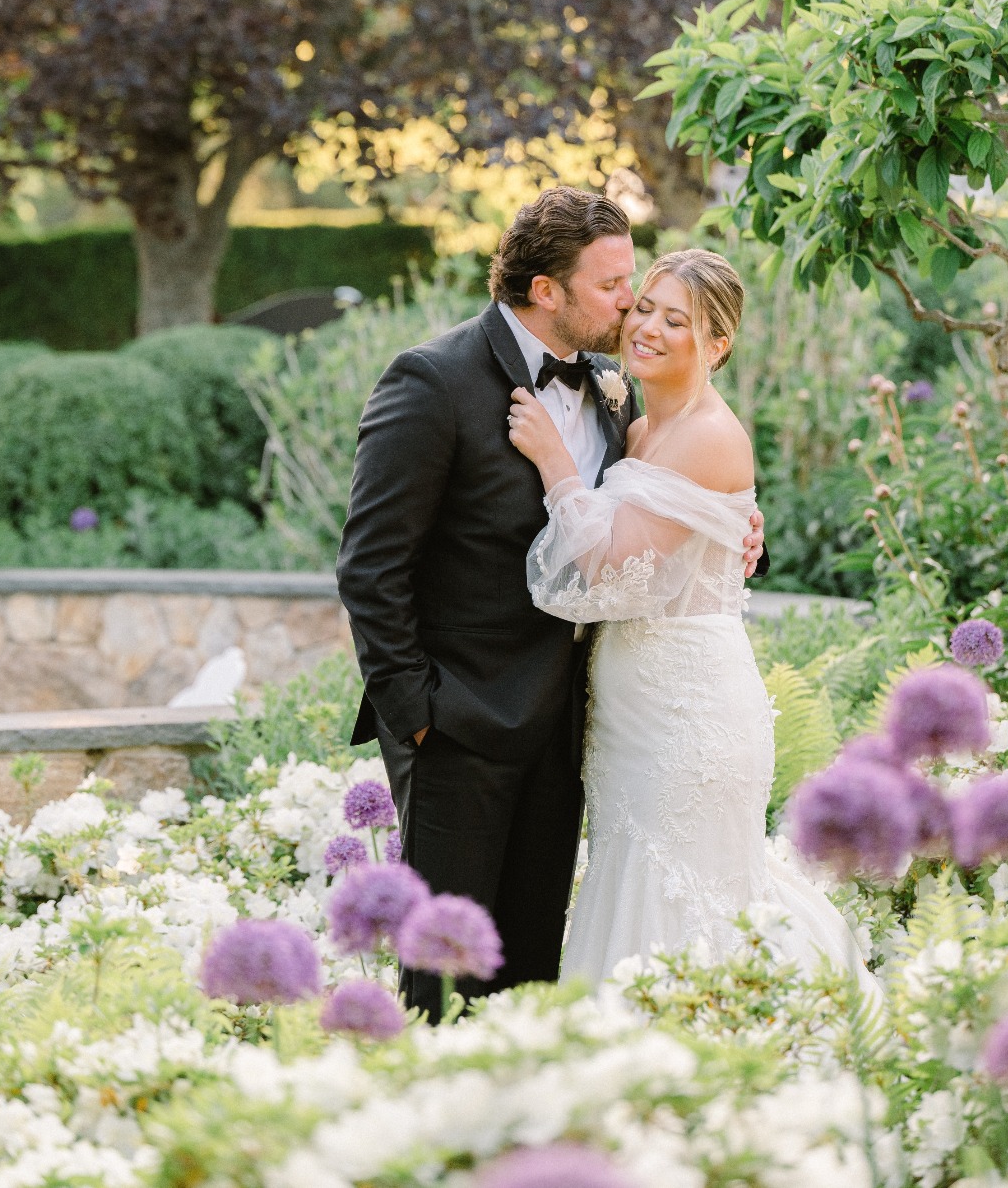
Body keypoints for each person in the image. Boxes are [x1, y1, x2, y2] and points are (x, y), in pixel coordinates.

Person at [336, 190, 766, 1018]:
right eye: (614, 287)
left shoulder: (613, 387)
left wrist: (745, 530)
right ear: (546, 289)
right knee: (444, 973)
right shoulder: (434, 380)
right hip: (460, 724)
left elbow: (660, 515)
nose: (630, 306)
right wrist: (416, 712)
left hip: (575, 723)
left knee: (533, 967)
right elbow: (371, 567)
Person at [508, 247, 870, 986]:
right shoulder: (637, 424)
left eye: (677, 319)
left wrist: (556, 464)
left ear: (718, 343)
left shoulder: (709, 434)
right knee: (634, 879)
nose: (648, 326)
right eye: (643, 306)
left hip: (689, 716)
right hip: (632, 716)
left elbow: (612, 569)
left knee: (687, 899)